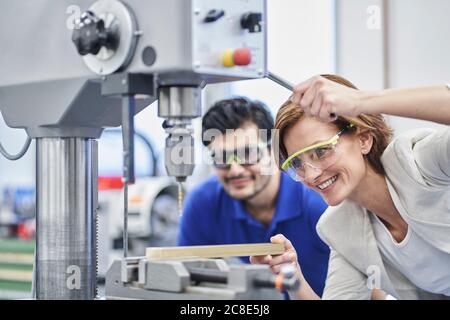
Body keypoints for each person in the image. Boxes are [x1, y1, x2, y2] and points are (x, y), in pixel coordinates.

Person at [251, 74, 450, 300]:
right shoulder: (340, 228)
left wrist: (361, 101)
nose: (312, 174)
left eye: (322, 151)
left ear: (363, 138)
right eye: (297, 163)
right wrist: (292, 278)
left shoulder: (418, 162)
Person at [177, 97, 330, 296]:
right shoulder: (203, 204)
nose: (235, 170)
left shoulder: (317, 203)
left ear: (273, 150)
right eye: (221, 158)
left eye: (248, 153)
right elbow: (186, 286)